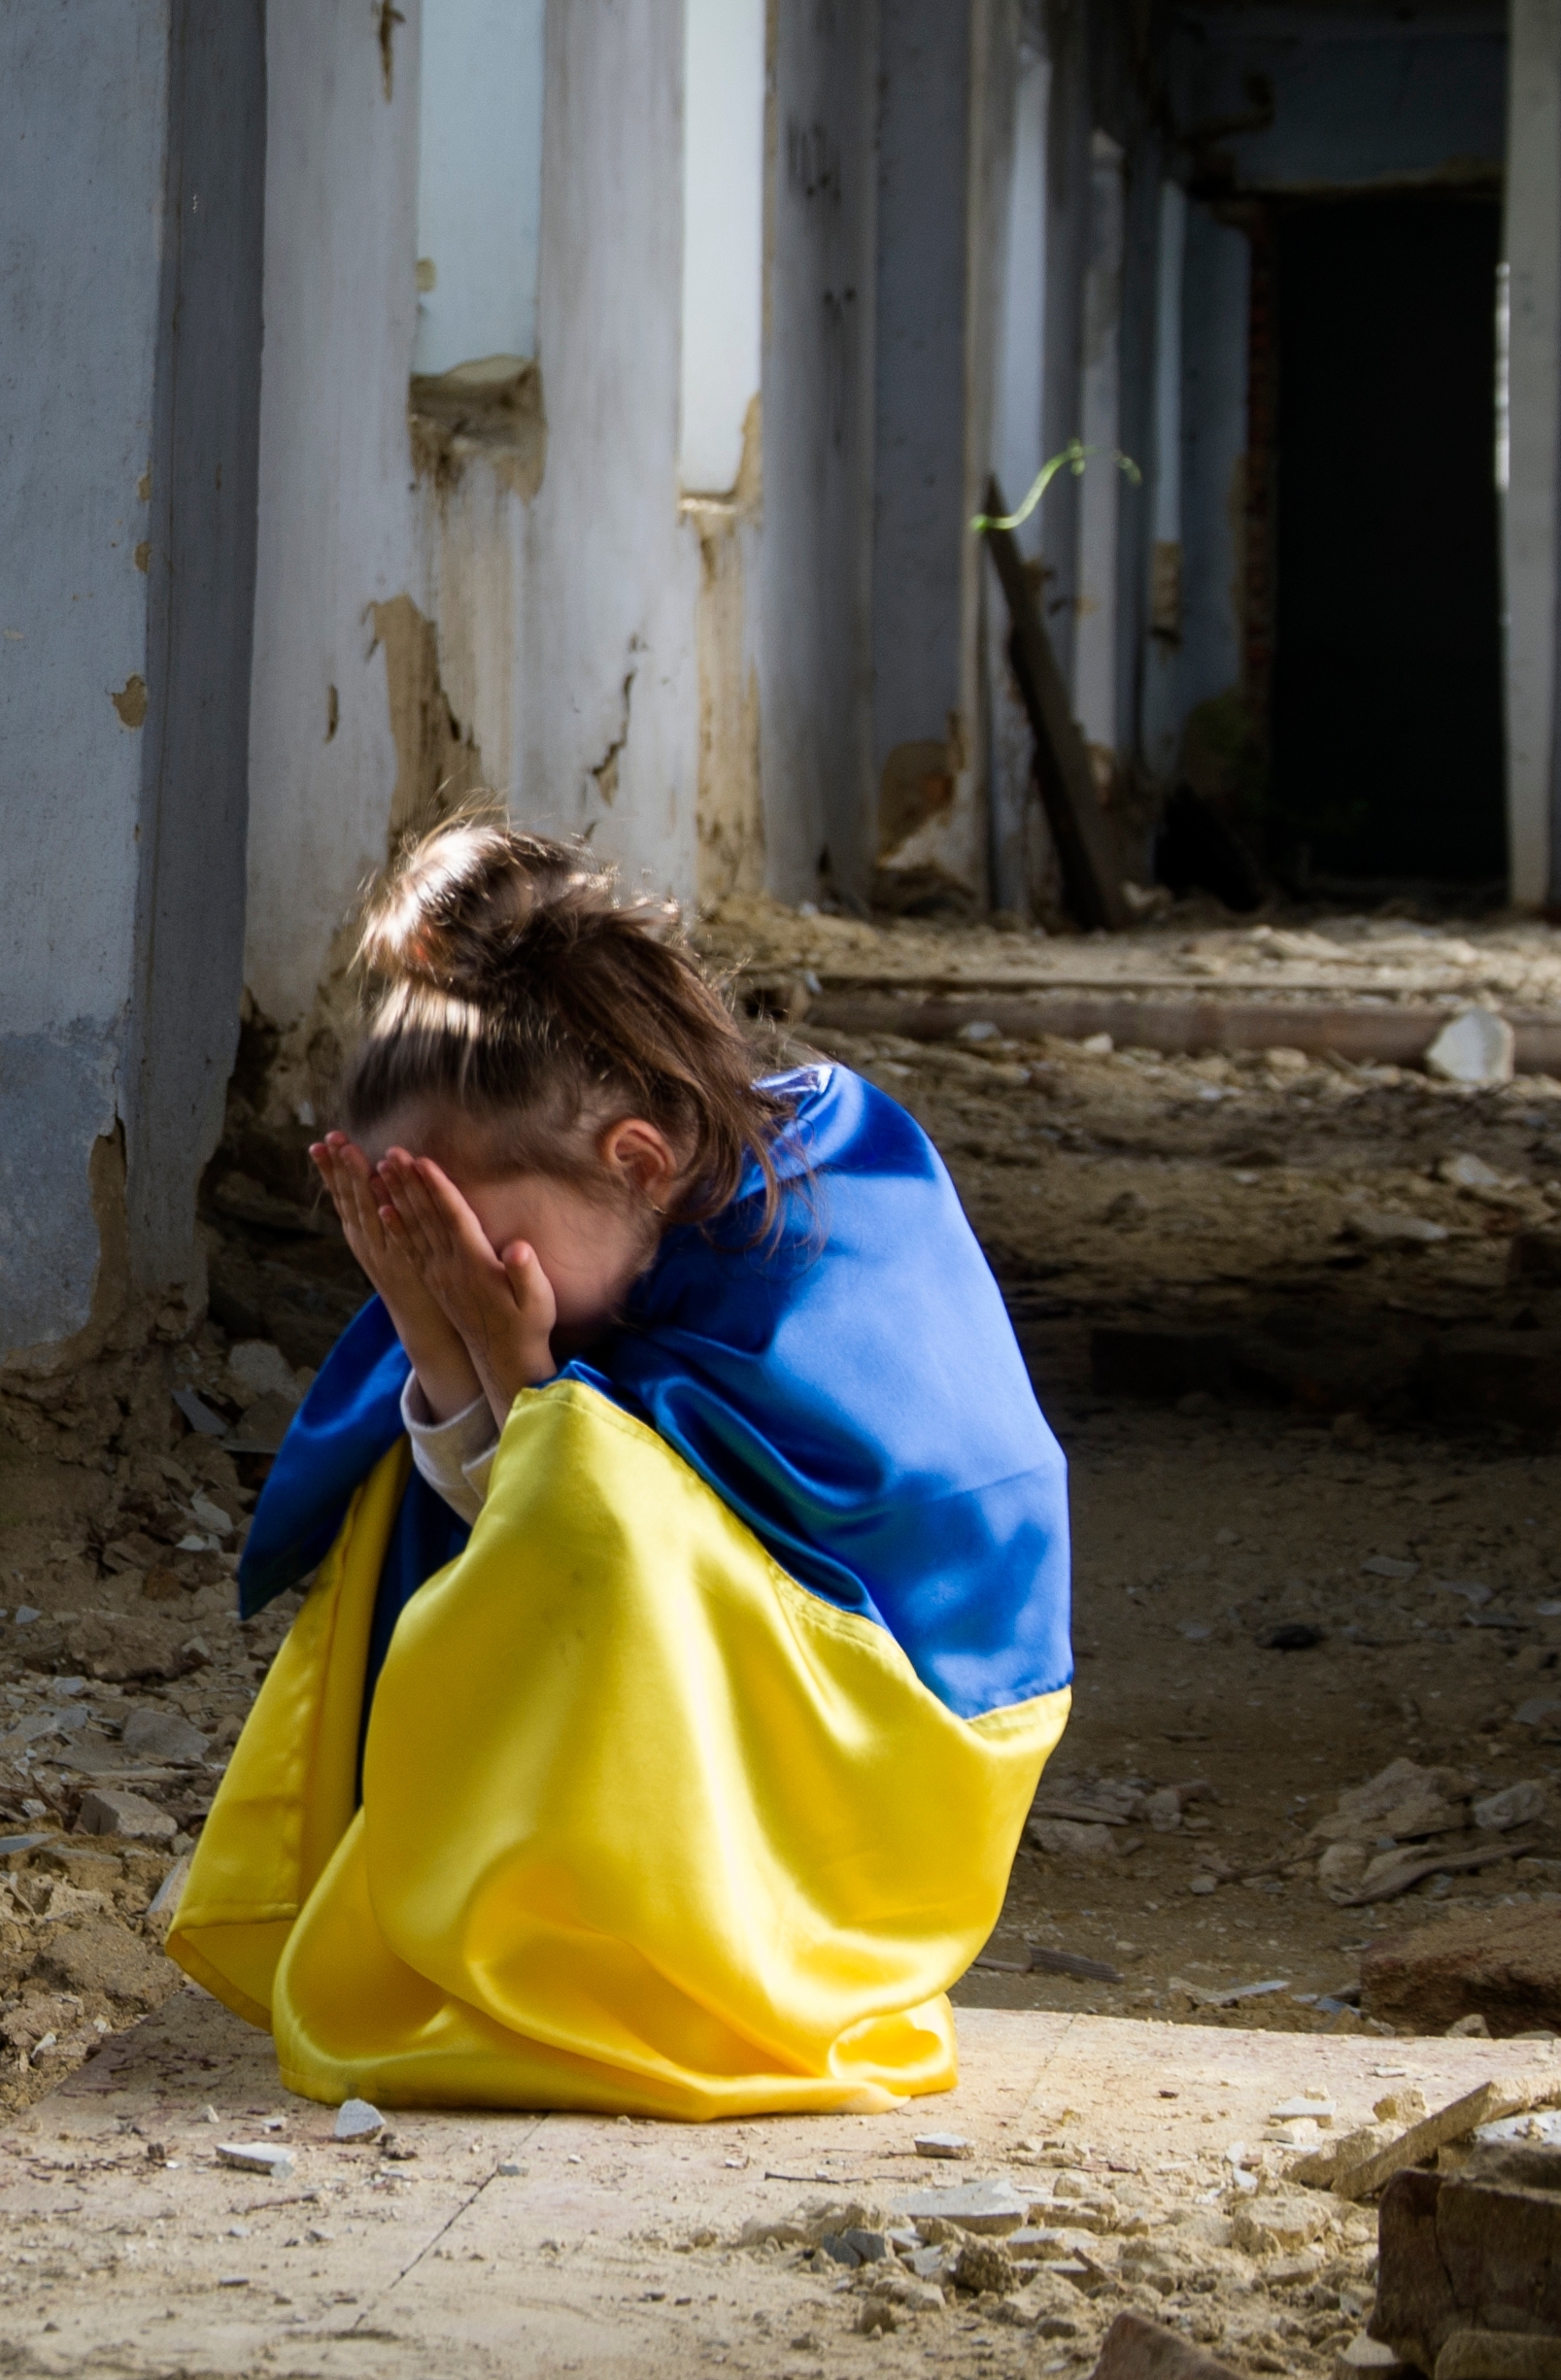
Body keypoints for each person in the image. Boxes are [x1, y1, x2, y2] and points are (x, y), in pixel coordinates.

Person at [163, 823, 1070, 2117]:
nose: (457, 1268)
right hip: (727, 1704)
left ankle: (639, 1955)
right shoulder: (598, 1235)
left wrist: (534, 1395)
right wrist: (442, 1344)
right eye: (421, 1239)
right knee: (430, 1468)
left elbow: (845, 1535)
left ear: (637, 1161)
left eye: (476, 1238)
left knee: (590, 1480)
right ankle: (491, 1910)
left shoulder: (836, 1204)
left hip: (898, 1742)